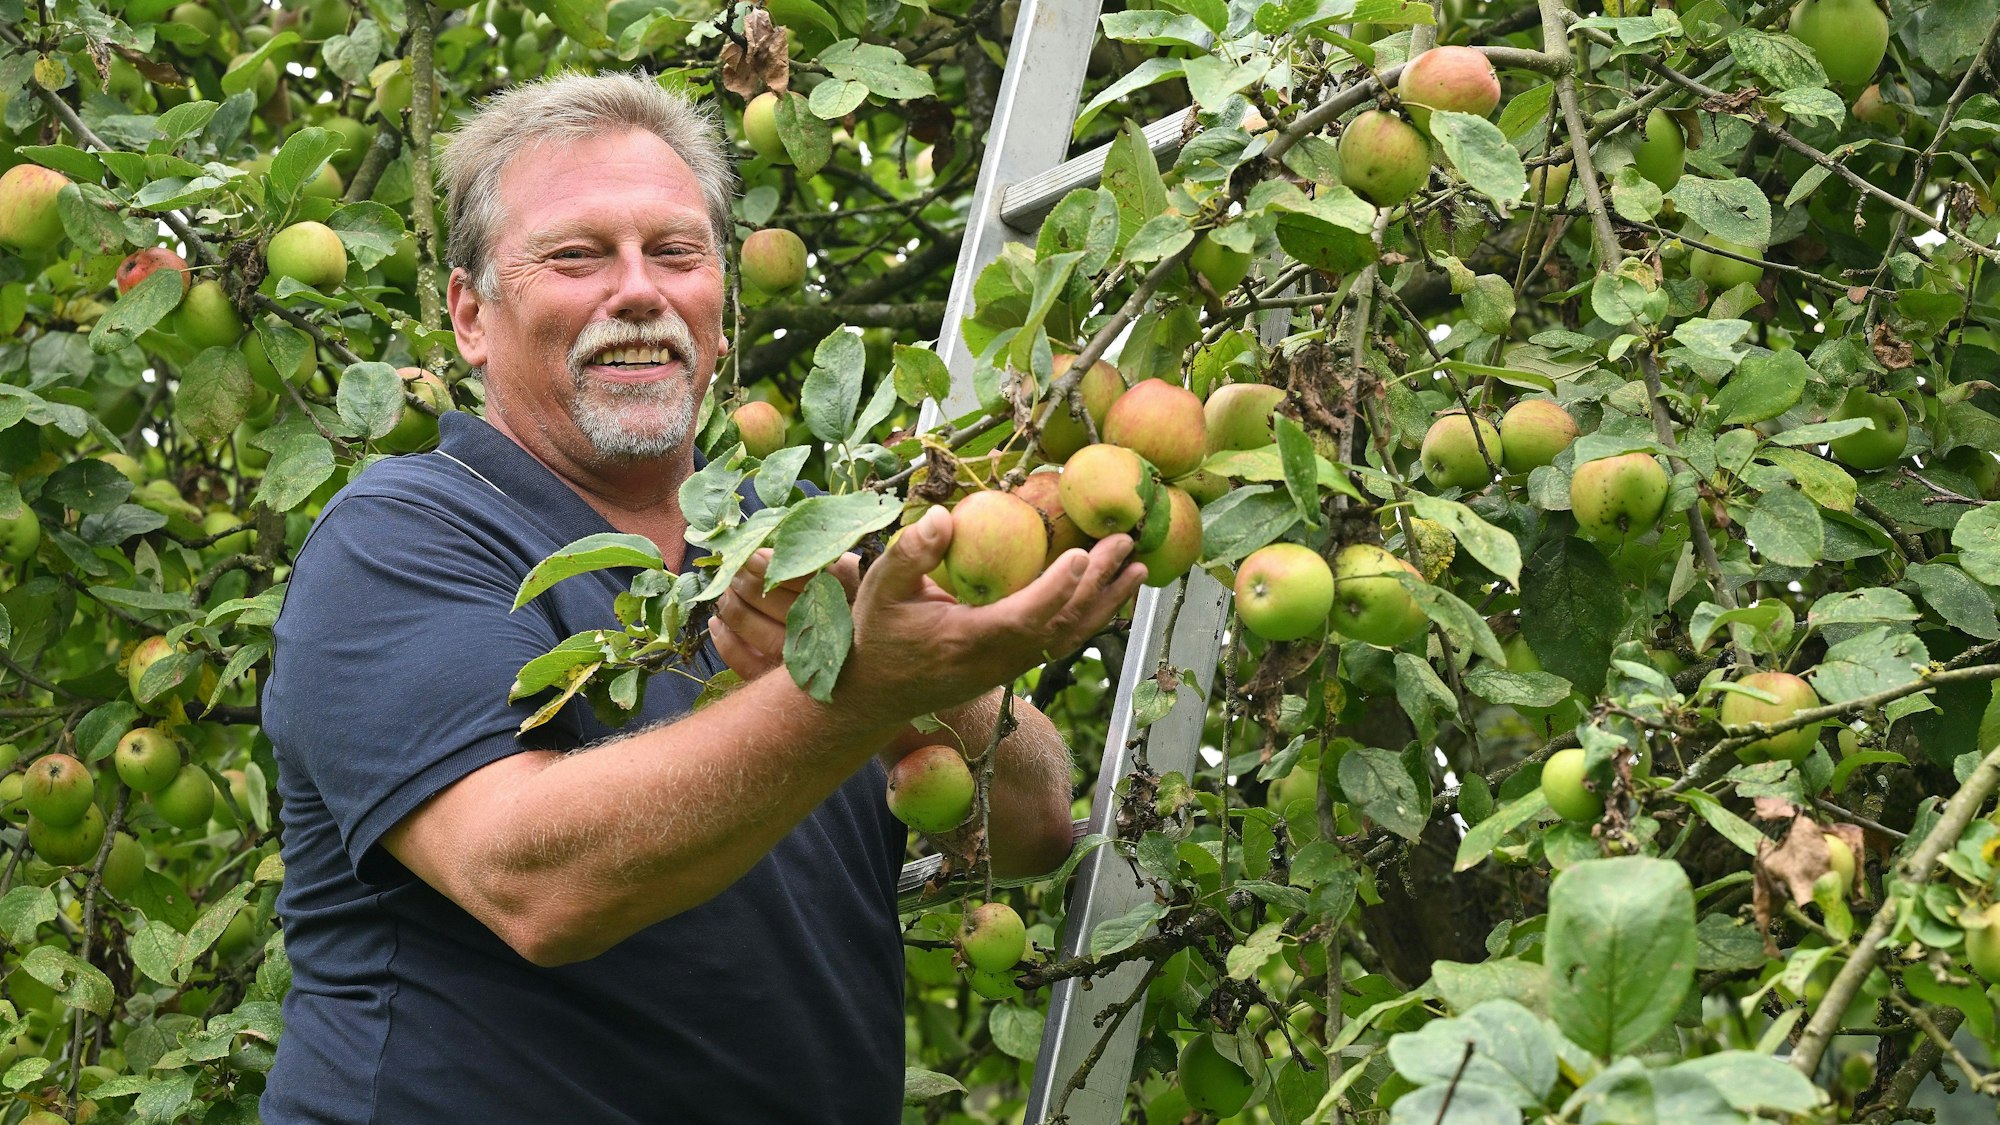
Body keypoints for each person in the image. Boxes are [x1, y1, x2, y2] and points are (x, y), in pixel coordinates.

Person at [258, 73, 1143, 1122]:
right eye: (576, 255)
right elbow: (531, 882)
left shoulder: (803, 534)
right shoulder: (405, 536)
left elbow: (1034, 821)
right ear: (469, 317)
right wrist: (847, 695)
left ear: (720, 314)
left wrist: (931, 675)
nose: (636, 290)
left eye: (674, 253)